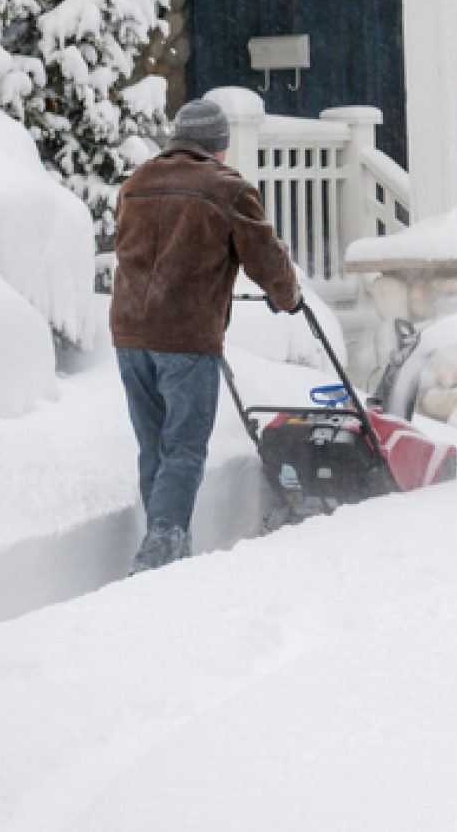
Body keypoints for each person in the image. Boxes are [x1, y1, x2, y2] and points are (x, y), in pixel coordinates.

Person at [110, 98, 300, 574]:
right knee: (185, 449)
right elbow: (266, 258)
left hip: (130, 334)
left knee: (155, 446)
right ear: (219, 145)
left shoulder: (138, 183)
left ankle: (170, 550)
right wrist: (287, 295)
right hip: (184, 337)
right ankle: (158, 557)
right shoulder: (227, 188)